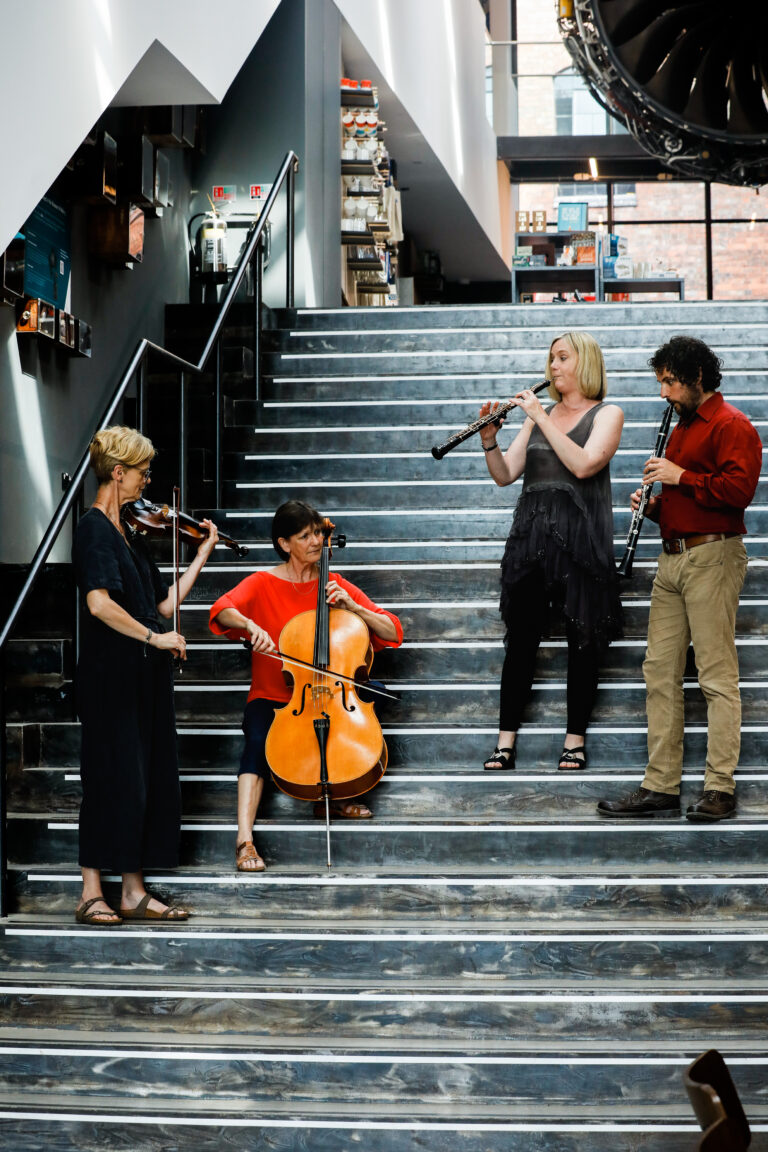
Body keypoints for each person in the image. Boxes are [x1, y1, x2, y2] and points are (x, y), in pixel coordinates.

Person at [598, 336, 762, 821]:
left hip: (713, 557)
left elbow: (740, 491)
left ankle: (720, 788)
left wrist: (679, 477)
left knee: (715, 674)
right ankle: (660, 786)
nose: (664, 393)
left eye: (669, 382)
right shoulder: (680, 429)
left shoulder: (733, 425)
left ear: (696, 378)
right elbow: (686, 498)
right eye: (661, 382)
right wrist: (653, 508)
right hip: (672, 559)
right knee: (660, 672)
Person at [72, 426, 219, 926]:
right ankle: (92, 890)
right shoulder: (93, 528)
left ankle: (132, 890)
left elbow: (161, 605)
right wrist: (155, 639)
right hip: (110, 677)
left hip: (143, 678)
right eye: (142, 472)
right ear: (118, 472)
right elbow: (98, 604)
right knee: (107, 777)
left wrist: (200, 554)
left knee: (141, 782)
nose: (146, 481)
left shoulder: (130, 535)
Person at [208, 499, 404, 872]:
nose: (316, 541)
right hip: (274, 696)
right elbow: (221, 609)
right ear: (284, 543)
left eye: (318, 533)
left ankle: (333, 795)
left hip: (330, 695)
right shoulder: (262, 582)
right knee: (256, 741)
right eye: (305, 535)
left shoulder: (333, 584)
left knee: (347, 723)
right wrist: (250, 626)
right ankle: (244, 840)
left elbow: (393, 630)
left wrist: (355, 608)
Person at [479, 330, 624, 772]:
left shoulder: (607, 413)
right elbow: (505, 474)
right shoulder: (536, 417)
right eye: (552, 358)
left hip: (580, 543)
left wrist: (541, 417)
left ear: (585, 363)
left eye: (563, 357)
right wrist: (489, 440)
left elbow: (584, 464)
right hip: (532, 541)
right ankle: (505, 743)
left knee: (583, 640)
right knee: (520, 641)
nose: (554, 366)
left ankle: (574, 741)